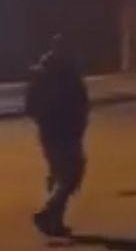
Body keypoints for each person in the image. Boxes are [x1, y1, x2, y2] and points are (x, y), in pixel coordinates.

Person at [24, 34, 89, 238]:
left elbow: (30, 105)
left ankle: (54, 222)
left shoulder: (41, 73)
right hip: (67, 129)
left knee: (58, 173)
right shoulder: (69, 72)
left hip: (49, 130)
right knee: (71, 172)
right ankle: (48, 212)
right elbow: (80, 101)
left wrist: (43, 120)